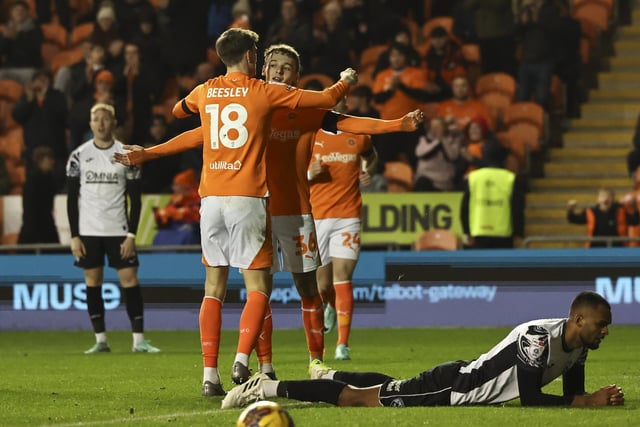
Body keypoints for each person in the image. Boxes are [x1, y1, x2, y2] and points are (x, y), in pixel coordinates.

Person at [113, 39, 421, 394]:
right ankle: (265, 366)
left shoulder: (298, 107)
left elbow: (350, 123)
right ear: (261, 67)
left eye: (286, 68)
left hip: (294, 212)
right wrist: (150, 153)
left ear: (296, 76)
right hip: (258, 208)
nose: (278, 71)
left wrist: (399, 124)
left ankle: (316, 361)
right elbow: (198, 136)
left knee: (309, 290)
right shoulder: (253, 99)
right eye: (273, 65)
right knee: (261, 291)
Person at [221, 291, 625, 409]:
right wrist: (587, 404)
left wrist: (590, 399)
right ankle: (265, 389)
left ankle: (326, 374)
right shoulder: (539, 337)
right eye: (601, 324)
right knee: (356, 402)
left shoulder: (578, 347)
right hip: (453, 390)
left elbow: (574, 395)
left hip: (459, 380)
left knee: (394, 386)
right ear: (578, 320)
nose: (605, 331)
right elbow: (533, 398)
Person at [66, 102, 160, 354]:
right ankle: (100, 340)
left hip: (118, 231)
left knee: (130, 280)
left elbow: (136, 200)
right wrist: (74, 235)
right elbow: (71, 199)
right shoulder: (79, 155)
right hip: (89, 231)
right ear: (90, 124)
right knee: (92, 280)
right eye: (96, 118)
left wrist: (131, 234)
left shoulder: (126, 155)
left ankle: (138, 341)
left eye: (105, 118)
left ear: (114, 123)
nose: (100, 123)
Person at [307, 98, 379, 361]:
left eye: (342, 100)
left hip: (348, 216)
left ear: (347, 104)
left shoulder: (359, 133)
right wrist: (308, 173)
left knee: (343, 278)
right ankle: (329, 305)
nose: (338, 104)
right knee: (323, 284)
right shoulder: (309, 135)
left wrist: (367, 171)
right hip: (317, 218)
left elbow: (371, 158)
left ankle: (342, 345)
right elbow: (289, 171)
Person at [459, 142, 525, 249]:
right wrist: (518, 234)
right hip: (504, 235)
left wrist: (466, 231)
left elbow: (464, 208)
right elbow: (517, 209)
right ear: (503, 159)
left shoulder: (472, 178)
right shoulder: (510, 179)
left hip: (478, 233)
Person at [567, 188, 639, 248]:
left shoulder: (621, 211)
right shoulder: (590, 212)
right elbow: (573, 219)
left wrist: (634, 207)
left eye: (609, 196)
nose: (605, 199)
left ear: (613, 199)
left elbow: (636, 221)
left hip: (619, 249)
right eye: (602, 196)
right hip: (595, 249)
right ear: (598, 199)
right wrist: (570, 209)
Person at [17, 146, 59, 244]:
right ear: (41, 161)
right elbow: (28, 207)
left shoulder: (50, 179)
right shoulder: (32, 181)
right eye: (49, 159)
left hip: (47, 223)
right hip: (33, 225)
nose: (52, 162)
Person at [413, 116, 465, 192]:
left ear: (444, 128)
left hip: (444, 182)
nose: (435, 129)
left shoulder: (452, 140)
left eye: (438, 126)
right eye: (433, 126)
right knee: (422, 182)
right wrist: (437, 141)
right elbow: (420, 154)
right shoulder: (424, 140)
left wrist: (442, 139)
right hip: (426, 178)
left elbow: (452, 156)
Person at [152, 168, 201, 246]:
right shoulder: (175, 199)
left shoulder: (198, 197)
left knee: (188, 236)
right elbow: (165, 214)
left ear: (186, 186)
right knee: (159, 236)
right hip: (174, 228)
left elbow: (197, 214)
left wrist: (180, 212)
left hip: (191, 229)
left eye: (177, 185)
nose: (173, 188)